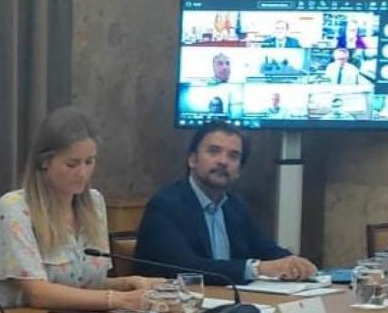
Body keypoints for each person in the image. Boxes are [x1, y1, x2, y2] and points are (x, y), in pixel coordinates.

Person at [0, 107, 161, 312]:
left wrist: (129, 284)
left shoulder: (95, 203)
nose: (82, 173)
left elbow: (84, 286)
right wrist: (123, 300)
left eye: (89, 162)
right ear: (44, 162)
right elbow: (38, 294)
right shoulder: (15, 207)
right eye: (72, 164)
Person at [134, 121, 317, 284]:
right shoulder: (165, 205)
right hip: (172, 310)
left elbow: (265, 248)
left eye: (233, 156)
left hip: (229, 306)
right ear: (192, 160)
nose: (223, 161)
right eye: (214, 151)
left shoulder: (236, 206)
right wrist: (257, 269)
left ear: (239, 169)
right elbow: (186, 268)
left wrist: (293, 262)